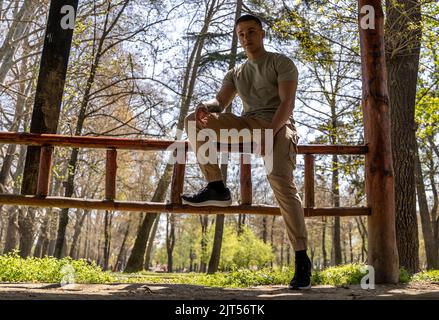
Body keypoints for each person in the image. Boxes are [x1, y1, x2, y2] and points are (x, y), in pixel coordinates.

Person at [182, 14, 312, 290]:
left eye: (251, 31)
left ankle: (302, 258)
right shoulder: (236, 72)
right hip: (246, 123)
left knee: (279, 179)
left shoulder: (281, 63)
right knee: (193, 121)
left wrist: (270, 133)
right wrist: (205, 106)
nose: (246, 37)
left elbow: (287, 103)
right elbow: (220, 101)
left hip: (279, 125)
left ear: (262, 34)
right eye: (241, 33)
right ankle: (216, 186)